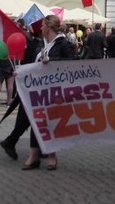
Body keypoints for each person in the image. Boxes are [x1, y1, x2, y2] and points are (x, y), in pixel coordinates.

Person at [21, 15, 77, 171]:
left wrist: (53, 61)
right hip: (37, 90)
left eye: (43, 26)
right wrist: (20, 73)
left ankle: (52, 155)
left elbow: (73, 62)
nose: (40, 28)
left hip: (55, 90)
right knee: (36, 121)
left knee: (52, 121)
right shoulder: (40, 43)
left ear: (49, 28)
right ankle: (34, 156)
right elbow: (30, 63)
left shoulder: (63, 43)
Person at [0, 23, 44, 161]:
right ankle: (11, 142)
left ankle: (12, 142)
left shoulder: (33, 44)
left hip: (29, 86)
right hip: (31, 87)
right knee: (30, 119)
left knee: (31, 119)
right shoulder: (37, 46)